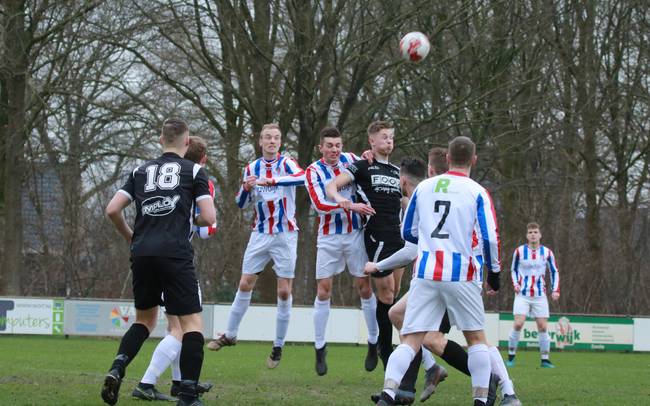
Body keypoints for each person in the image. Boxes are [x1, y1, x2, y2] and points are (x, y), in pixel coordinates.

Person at [369, 148, 520, 406]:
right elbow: (489, 237)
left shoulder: (425, 190)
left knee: (418, 336)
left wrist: (379, 264)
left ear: (437, 165)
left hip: (430, 272)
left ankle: (505, 389)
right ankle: (482, 395)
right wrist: (494, 272)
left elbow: (409, 237)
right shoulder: (474, 192)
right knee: (471, 339)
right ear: (473, 160)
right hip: (460, 273)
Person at [102, 118, 216, 406]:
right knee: (191, 325)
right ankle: (188, 395)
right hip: (175, 253)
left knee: (144, 321)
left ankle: (117, 367)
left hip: (142, 253)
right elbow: (209, 217)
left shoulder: (140, 171)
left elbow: (113, 209)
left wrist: (131, 236)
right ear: (187, 142)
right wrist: (192, 217)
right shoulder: (194, 171)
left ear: (160, 140)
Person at [206, 123, 304, 370]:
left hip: (285, 235)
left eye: (276, 138)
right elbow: (240, 202)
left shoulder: (287, 163)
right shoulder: (251, 168)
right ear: (260, 142)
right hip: (260, 234)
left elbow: (302, 177)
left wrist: (273, 180)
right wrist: (246, 187)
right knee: (244, 283)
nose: (272, 141)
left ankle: (278, 346)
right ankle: (230, 334)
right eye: (267, 137)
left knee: (283, 292)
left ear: (280, 142)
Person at [131, 136, 216, 402]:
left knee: (176, 328)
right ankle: (148, 382)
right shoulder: (198, 180)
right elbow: (206, 229)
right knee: (184, 329)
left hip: (150, 255)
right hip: (177, 261)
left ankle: (180, 382)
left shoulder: (157, 179)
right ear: (202, 159)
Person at [326, 121, 404, 369]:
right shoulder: (361, 166)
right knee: (387, 293)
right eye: (384, 137)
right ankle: (385, 351)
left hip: (398, 236)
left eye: (391, 137)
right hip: (375, 234)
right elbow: (331, 186)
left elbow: (405, 201)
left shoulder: (395, 171)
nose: (388, 141)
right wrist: (344, 202)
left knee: (394, 296)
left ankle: (387, 345)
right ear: (372, 141)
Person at [304, 126, 378, 376]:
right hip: (328, 237)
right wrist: (349, 206)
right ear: (320, 148)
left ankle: (373, 341)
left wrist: (371, 154)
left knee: (364, 287)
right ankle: (319, 346)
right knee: (324, 291)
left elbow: (371, 163)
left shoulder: (352, 160)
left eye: (337, 145)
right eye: (329, 146)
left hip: (355, 234)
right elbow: (320, 205)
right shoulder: (313, 171)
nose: (334, 150)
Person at [507, 222, 560, 368]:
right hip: (522, 294)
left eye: (535, 232)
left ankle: (545, 359)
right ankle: (511, 357)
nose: (533, 235)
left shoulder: (547, 253)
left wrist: (555, 289)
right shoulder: (519, 251)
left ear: (540, 235)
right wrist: (515, 284)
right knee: (518, 323)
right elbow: (513, 270)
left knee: (542, 326)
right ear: (527, 235)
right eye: (530, 232)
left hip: (540, 295)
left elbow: (554, 271)